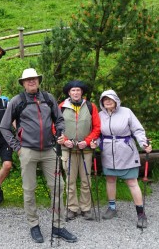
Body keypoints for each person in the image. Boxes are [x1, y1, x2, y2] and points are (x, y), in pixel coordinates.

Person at [0, 68, 77, 244]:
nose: (31, 82)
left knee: (57, 187)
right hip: (27, 150)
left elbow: (59, 119)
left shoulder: (48, 99)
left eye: (33, 79)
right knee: (29, 190)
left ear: (38, 80)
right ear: (23, 83)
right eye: (27, 80)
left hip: (50, 150)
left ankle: (58, 226)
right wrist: (17, 147)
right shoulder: (17, 101)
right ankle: (34, 225)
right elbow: (4, 126)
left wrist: (60, 131)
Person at [96, 89, 152, 228]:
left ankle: (141, 214)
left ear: (116, 100)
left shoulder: (126, 112)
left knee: (132, 182)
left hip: (126, 151)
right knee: (110, 179)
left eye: (110, 98)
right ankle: (112, 208)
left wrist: (143, 143)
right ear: (102, 102)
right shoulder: (99, 115)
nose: (107, 101)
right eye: (104, 99)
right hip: (108, 152)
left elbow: (137, 130)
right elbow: (97, 133)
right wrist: (94, 143)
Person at [58, 81, 100, 221]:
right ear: (69, 93)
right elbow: (55, 127)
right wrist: (64, 140)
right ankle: (72, 208)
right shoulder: (62, 107)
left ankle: (86, 208)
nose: (76, 93)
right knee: (69, 181)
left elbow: (97, 127)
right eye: (73, 90)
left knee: (86, 180)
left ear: (82, 92)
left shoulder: (90, 106)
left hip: (86, 150)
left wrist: (87, 141)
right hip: (67, 150)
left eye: (78, 90)